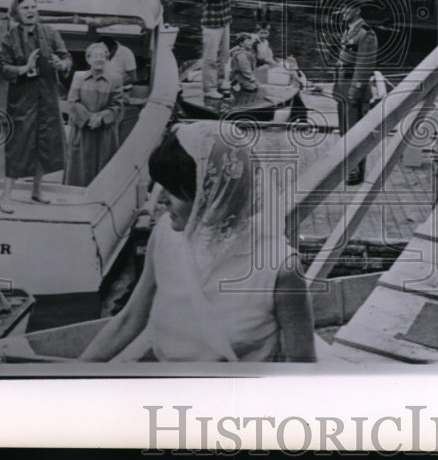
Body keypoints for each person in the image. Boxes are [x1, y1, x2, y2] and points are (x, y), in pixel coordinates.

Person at [79, 122, 316, 362]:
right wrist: (77, 371)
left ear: (213, 196)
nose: (160, 200)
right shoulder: (165, 234)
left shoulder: (280, 267)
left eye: (173, 191)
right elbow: (130, 319)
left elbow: (302, 366)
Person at [0, 0, 72, 211]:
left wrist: (62, 64)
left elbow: (66, 57)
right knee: (18, 145)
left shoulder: (50, 33)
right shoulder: (9, 37)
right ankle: (5, 197)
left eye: (33, 7)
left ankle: (37, 191)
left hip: (47, 97)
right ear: (17, 12)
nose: (30, 11)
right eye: (25, 8)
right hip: (22, 100)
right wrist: (24, 68)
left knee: (45, 142)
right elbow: (3, 68)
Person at [65, 42, 126, 188]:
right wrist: (89, 118)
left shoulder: (116, 79)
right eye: (95, 56)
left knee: (104, 169)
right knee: (79, 169)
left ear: (107, 59)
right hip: (82, 131)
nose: (99, 59)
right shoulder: (79, 77)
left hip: (104, 133)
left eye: (102, 56)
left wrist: (101, 118)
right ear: (88, 59)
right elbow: (73, 102)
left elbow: (118, 105)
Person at [332, 1, 378, 186]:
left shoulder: (366, 34)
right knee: (345, 131)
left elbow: (364, 65)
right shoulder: (349, 31)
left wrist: (355, 90)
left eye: (346, 8)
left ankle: (355, 172)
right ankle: (347, 166)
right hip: (343, 87)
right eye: (342, 8)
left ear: (357, 10)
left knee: (355, 132)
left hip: (353, 91)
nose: (343, 11)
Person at [199, 0, 240, 100]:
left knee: (224, 56)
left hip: (225, 21)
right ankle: (209, 88)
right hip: (211, 23)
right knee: (210, 58)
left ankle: (222, 81)